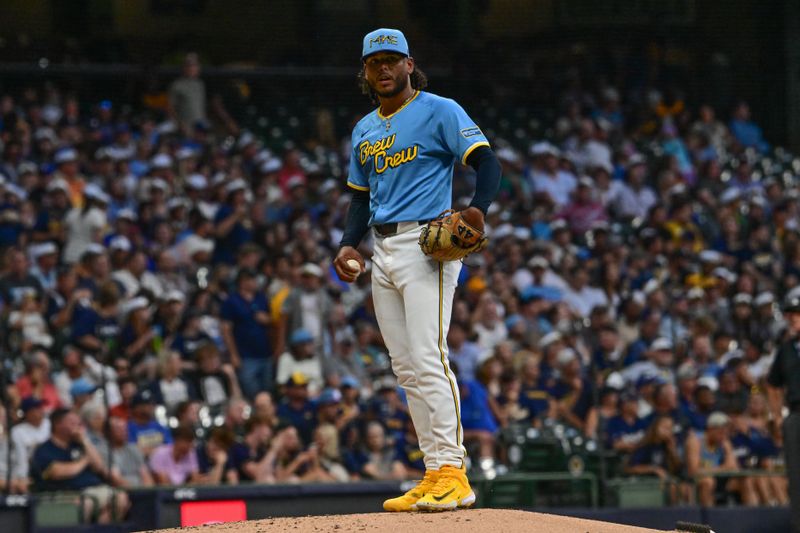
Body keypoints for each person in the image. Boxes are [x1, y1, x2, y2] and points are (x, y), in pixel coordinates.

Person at [332, 28, 500, 512]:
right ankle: (433, 470)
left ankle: (454, 472)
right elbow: (360, 199)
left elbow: (487, 163)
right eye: (373, 62)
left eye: (391, 59)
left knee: (430, 356)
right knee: (404, 368)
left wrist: (478, 209)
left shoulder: (439, 110)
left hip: (429, 243)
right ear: (364, 72)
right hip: (382, 249)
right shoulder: (363, 129)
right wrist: (347, 245)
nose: (383, 69)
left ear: (409, 64)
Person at [29, 408, 129, 523]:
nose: (77, 426)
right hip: (67, 493)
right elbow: (57, 472)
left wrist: (84, 440)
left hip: (95, 488)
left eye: (78, 422)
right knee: (86, 504)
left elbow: (99, 466)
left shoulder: (78, 444)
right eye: (72, 422)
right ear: (58, 424)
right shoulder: (44, 449)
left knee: (121, 498)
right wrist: (85, 460)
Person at [767, 296, 800, 532]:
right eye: (790, 314)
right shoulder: (786, 349)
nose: (793, 319)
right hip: (796, 415)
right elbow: (772, 383)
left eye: (797, 314)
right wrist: (777, 415)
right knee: (796, 476)